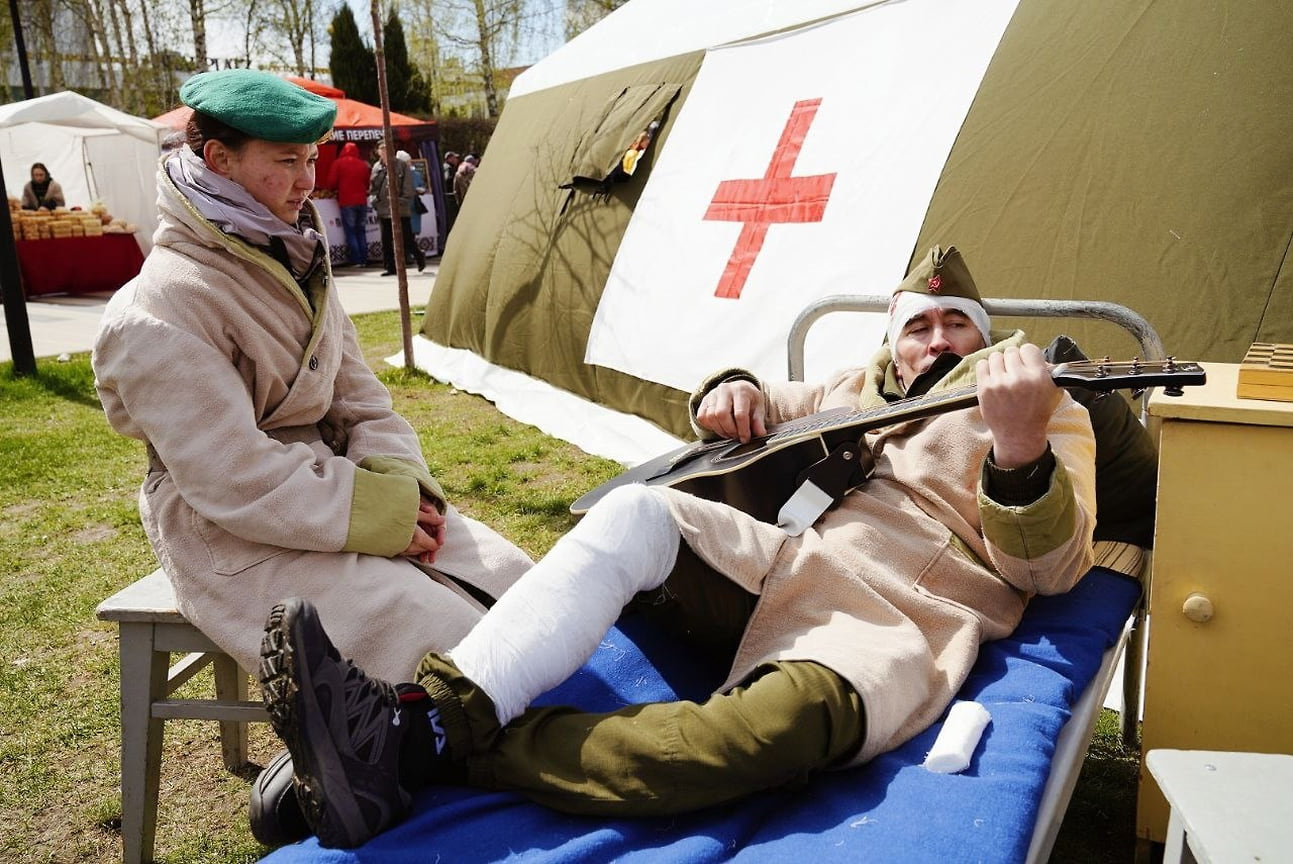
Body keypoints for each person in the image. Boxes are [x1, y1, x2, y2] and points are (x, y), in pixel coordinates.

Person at [257, 245, 1100, 849]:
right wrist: (725, 392)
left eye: (959, 325)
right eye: (920, 324)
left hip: (893, 620)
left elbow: (1051, 570)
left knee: (748, 742)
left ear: (985, 341)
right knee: (636, 512)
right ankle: (433, 716)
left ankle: (411, 748)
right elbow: (756, 396)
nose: (938, 339)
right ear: (894, 337)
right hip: (777, 558)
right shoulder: (852, 384)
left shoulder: (1043, 407)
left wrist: (1018, 450)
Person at [89, 69, 532, 845]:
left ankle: (403, 752)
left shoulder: (292, 249)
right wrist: (377, 517)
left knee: (521, 589)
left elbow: (361, 399)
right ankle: (398, 772)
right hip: (229, 523)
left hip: (341, 487)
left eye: (311, 158)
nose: (308, 180)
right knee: (433, 633)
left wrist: (402, 489)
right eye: (285, 161)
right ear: (218, 158)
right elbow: (230, 475)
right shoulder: (158, 307)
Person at [368, 143, 425, 275]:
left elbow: (408, 187)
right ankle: (390, 267)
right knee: (386, 240)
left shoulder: (401, 165)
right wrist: (374, 201)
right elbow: (373, 187)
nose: (384, 152)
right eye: (382, 150)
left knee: (407, 239)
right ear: (378, 152)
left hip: (400, 210)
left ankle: (418, 256)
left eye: (386, 149)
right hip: (383, 210)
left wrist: (402, 201)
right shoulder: (377, 167)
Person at [324, 141, 372, 267]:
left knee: (350, 231)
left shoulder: (339, 163)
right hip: (362, 201)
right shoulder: (362, 164)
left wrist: (331, 190)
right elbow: (367, 184)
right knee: (361, 230)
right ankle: (364, 259)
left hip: (347, 201)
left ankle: (356, 260)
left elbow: (331, 183)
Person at [397, 149, 428, 250]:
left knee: (411, 232)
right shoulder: (397, 174)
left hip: (413, 205)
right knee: (404, 232)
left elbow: (422, 187)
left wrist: (421, 190)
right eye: (407, 161)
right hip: (403, 205)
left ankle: (411, 253)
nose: (409, 163)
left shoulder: (415, 173)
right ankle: (409, 253)